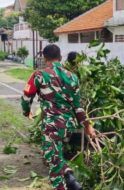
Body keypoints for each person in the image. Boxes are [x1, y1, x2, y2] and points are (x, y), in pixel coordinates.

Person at [21, 44, 96, 190]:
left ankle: (66, 183)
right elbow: (78, 107)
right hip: (68, 126)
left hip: (51, 126)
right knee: (54, 156)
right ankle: (70, 177)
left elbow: (26, 97)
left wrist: (26, 112)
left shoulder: (39, 75)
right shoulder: (72, 77)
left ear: (44, 58)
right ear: (60, 57)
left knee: (53, 164)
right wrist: (88, 126)